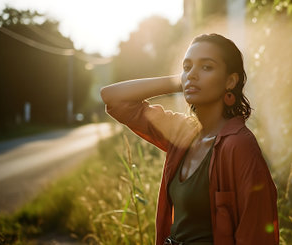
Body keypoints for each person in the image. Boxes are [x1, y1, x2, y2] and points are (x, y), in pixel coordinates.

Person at [100, 33, 279, 245]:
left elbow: (257, 234)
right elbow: (113, 98)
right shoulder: (182, 132)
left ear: (230, 81)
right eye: (187, 67)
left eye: (206, 67)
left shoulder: (238, 146)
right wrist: (181, 81)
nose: (193, 74)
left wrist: (189, 78)